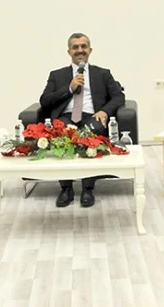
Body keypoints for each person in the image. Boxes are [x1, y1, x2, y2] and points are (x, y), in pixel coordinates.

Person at [39, 33, 125, 208]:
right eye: (75, 47)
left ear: (90, 50)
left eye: (83, 46)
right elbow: (45, 101)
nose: (80, 50)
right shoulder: (57, 75)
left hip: (91, 115)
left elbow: (119, 96)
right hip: (66, 116)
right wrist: (69, 88)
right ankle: (66, 188)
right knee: (61, 133)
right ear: (69, 51)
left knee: (91, 133)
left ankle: (88, 188)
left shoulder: (103, 74)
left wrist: (104, 111)